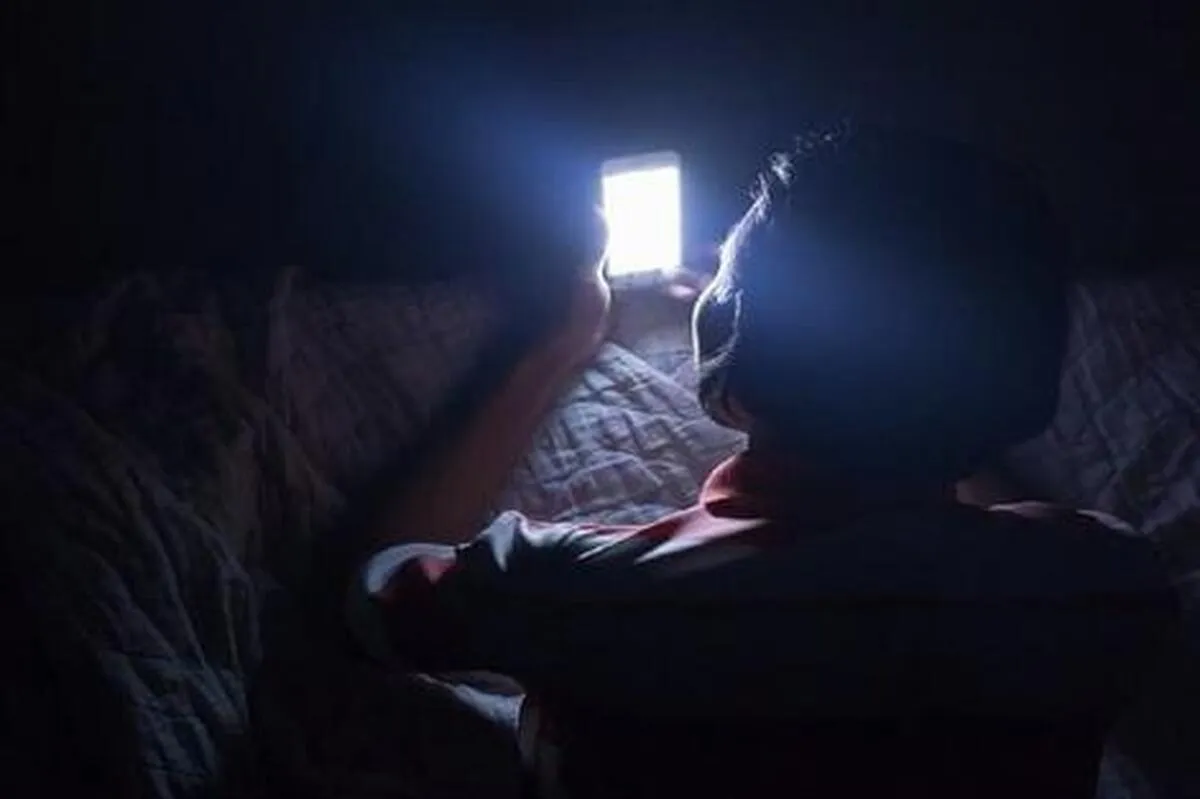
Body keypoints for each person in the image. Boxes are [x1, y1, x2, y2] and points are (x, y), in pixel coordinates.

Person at [345, 124, 1178, 798]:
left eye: (727, 275)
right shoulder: (1105, 588)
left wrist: (551, 347)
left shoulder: (580, 595)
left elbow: (374, 590)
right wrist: (942, 418)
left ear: (728, 348)